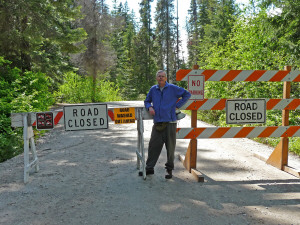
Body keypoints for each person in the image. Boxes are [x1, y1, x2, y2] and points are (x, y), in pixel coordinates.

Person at [141, 70, 191, 179]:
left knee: (170, 148)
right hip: (158, 122)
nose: (161, 78)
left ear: (166, 78)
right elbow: (147, 101)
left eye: (163, 76)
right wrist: (149, 107)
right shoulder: (153, 89)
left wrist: (177, 105)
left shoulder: (173, 88)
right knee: (153, 146)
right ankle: (149, 168)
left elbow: (187, 94)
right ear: (156, 78)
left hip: (170, 122)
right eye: (159, 76)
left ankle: (169, 170)